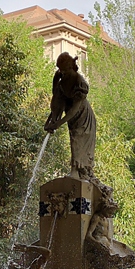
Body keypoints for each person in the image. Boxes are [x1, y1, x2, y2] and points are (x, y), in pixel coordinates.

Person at [44, 52, 97, 180]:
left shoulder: (80, 82)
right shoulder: (61, 80)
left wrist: (58, 123)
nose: (62, 73)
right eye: (60, 70)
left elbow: (75, 108)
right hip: (71, 115)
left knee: (79, 139)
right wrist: (51, 120)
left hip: (83, 115)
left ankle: (78, 172)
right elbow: (57, 103)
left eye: (64, 70)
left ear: (71, 67)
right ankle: (76, 172)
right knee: (74, 137)